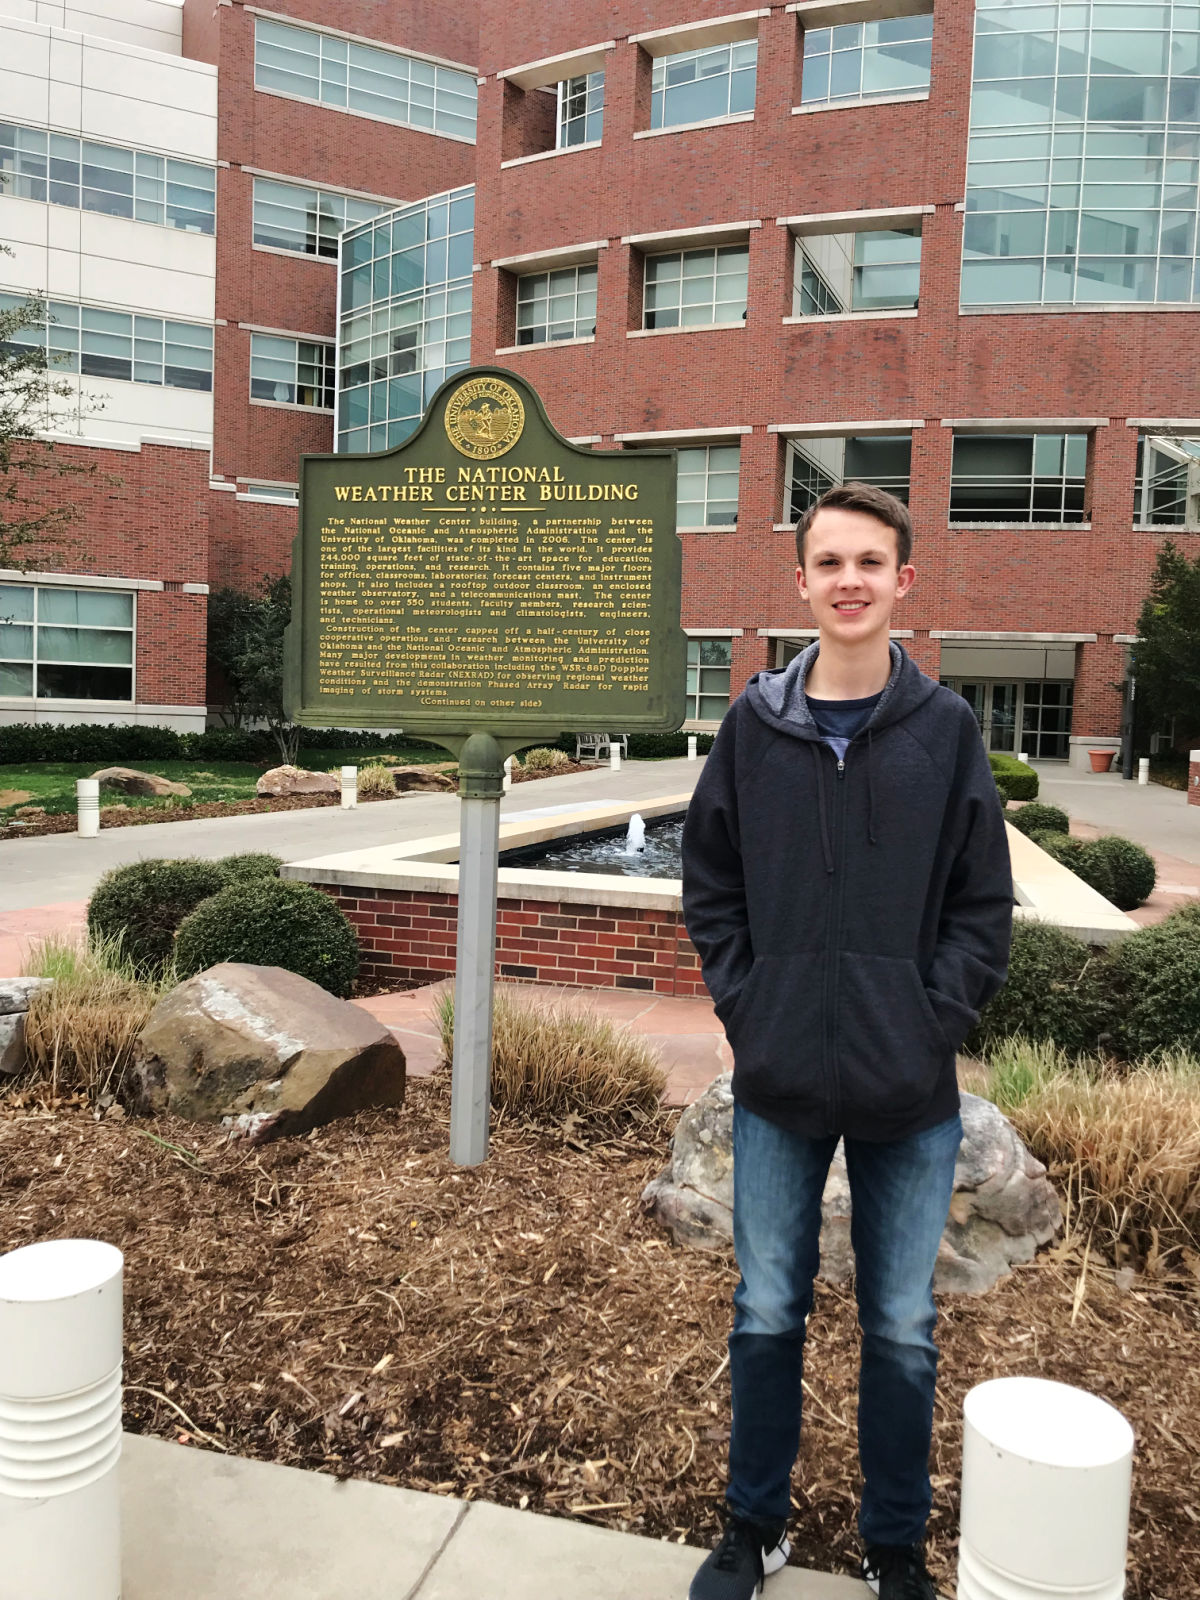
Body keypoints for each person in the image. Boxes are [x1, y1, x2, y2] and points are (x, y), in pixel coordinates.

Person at [681, 481, 1012, 1600]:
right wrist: (751, 1006)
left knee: (903, 1326)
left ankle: (894, 1543)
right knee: (766, 1307)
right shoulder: (751, 729)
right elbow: (710, 884)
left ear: (904, 580)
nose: (852, 580)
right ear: (802, 582)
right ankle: (754, 1526)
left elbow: (981, 905)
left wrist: (930, 1026)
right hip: (777, 1083)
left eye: (872, 561)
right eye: (831, 562)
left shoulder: (947, 732)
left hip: (906, 1093)